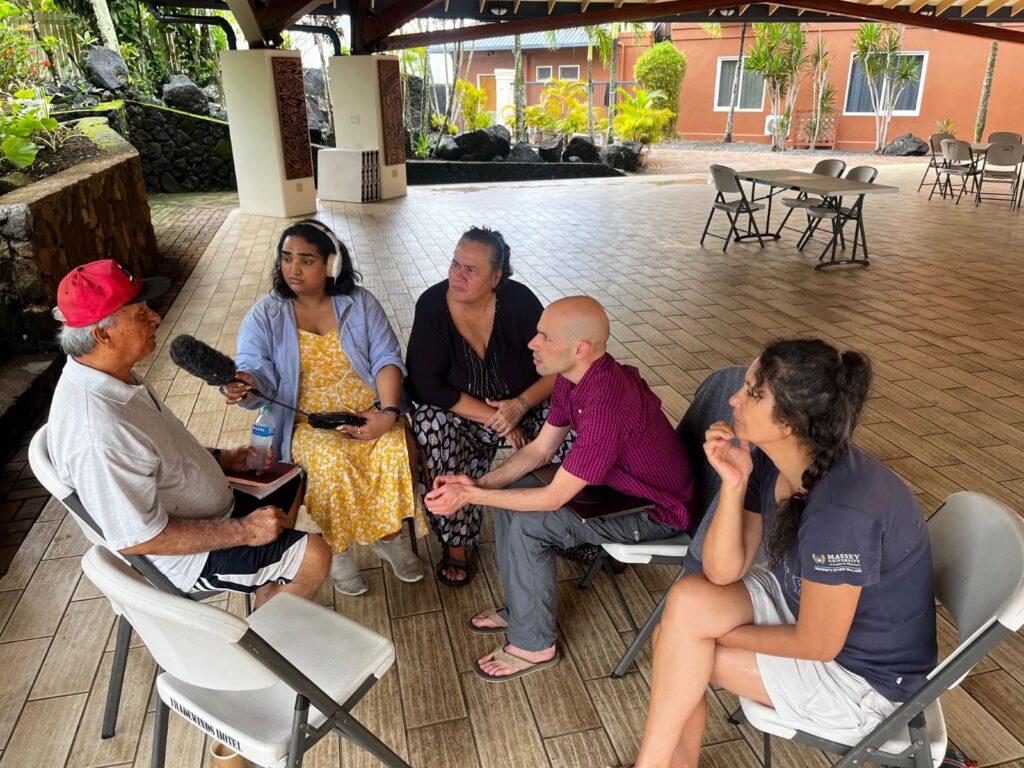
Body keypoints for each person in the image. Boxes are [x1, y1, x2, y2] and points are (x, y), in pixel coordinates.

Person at [621, 339, 937, 768]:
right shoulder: (775, 459)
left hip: (862, 684)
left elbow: (817, 644)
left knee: (680, 645)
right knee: (687, 607)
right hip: (802, 606)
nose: (734, 396)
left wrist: (709, 634)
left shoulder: (842, 512)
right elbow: (721, 571)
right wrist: (733, 485)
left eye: (753, 392)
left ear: (790, 421)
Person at [425, 296, 695, 681]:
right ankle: (522, 608)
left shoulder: (607, 403)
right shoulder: (574, 378)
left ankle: (534, 644)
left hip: (654, 511)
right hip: (619, 488)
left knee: (530, 523)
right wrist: (479, 484)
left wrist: (471, 497)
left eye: (544, 337)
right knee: (513, 493)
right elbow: (539, 450)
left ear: (579, 349)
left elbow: (553, 498)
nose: (532, 344)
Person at [47, 259, 330, 607]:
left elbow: (159, 453)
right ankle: (263, 644)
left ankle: (268, 589)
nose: (156, 318)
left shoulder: (113, 373)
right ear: (102, 334)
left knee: (289, 475)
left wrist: (224, 459)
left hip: (209, 508)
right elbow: (139, 538)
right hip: (180, 558)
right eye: (140, 314)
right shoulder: (98, 430)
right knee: (315, 556)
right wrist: (245, 531)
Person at [223, 219, 424, 597]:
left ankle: (389, 536)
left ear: (331, 263)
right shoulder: (266, 315)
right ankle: (339, 547)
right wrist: (245, 385)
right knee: (332, 461)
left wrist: (388, 412)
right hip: (305, 421)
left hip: (367, 406)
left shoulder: (359, 303)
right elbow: (255, 369)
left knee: (395, 447)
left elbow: (386, 358)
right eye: (286, 258)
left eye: (306, 260)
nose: (293, 269)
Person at [406, 226, 573, 587]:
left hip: (526, 403)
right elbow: (425, 383)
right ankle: (457, 540)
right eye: (454, 263)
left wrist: (521, 405)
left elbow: (560, 367)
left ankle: (571, 523)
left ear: (497, 276)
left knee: (576, 416)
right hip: (464, 412)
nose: (456, 274)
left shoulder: (519, 302)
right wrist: (501, 418)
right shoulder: (433, 306)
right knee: (429, 423)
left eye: (471, 269)